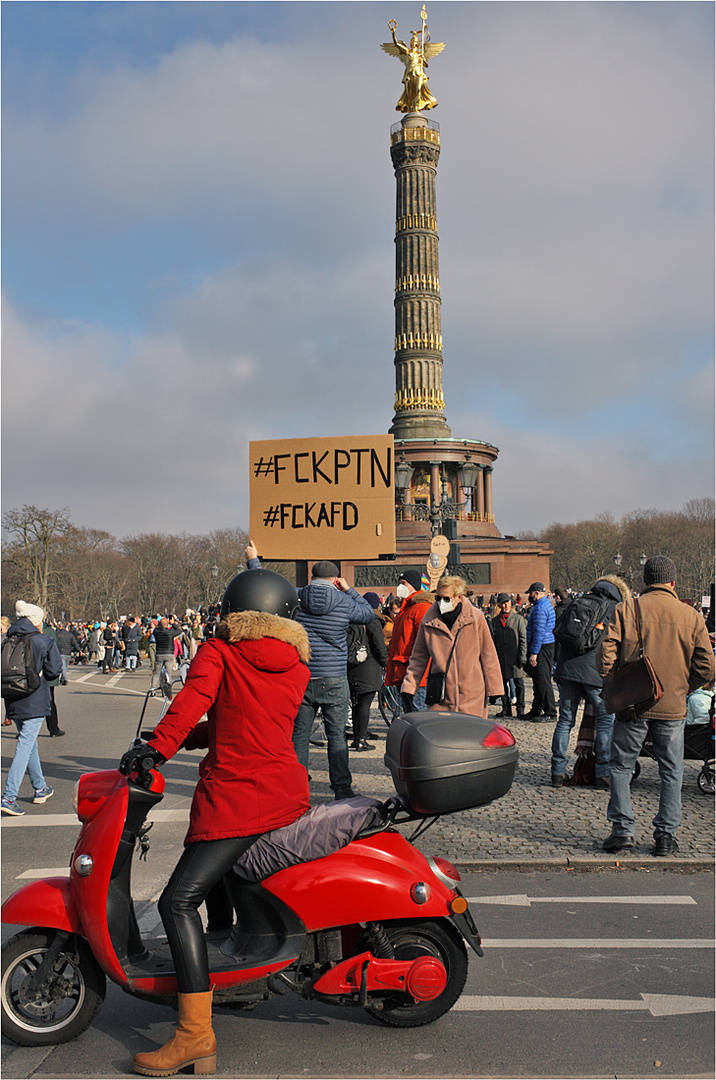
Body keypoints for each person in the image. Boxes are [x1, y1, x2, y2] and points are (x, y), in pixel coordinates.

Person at [120, 569, 311, 1077]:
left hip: (238, 796)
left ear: (235, 611)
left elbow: (192, 703)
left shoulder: (220, 651)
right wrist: (184, 738)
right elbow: (248, 716)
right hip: (284, 791)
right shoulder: (295, 663)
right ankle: (227, 962)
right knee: (228, 878)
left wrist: (156, 748)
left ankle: (194, 1036)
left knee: (176, 900)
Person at [597, 556, 715, 856]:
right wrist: (681, 688)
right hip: (673, 706)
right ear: (672, 582)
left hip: (633, 703)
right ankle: (665, 835)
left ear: (645, 581)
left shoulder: (627, 609)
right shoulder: (691, 616)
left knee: (621, 766)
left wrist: (616, 681)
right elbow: (706, 668)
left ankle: (622, 830)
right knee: (672, 770)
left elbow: (603, 657)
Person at [292, 561, 374, 800]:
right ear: (335, 579)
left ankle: (297, 787)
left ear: (311, 576)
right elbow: (368, 614)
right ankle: (342, 789)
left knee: (299, 735)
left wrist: (254, 560)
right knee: (336, 735)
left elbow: (268, 592)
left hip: (304, 676)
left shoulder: (297, 597)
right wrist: (348, 589)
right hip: (334, 677)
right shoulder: (344, 601)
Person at [550, 575, 630, 789]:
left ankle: (557, 771)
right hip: (595, 672)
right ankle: (602, 772)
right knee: (605, 720)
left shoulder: (577, 602)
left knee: (565, 720)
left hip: (567, 670)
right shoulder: (614, 608)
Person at [402, 576, 504, 716]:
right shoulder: (429, 619)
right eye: (438, 598)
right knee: (443, 735)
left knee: (471, 736)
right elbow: (418, 657)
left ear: (459, 597)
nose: (441, 603)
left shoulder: (476, 618)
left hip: (472, 694)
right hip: (441, 695)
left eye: (446, 599)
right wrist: (409, 686)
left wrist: (495, 688)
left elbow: (488, 654)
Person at [1, 602, 61, 816]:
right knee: (25, 746)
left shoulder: (7, 639)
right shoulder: (43, 640)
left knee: (29, 743)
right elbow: (54, 672)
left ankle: (40, 787)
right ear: (37, 621)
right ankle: (8, 796)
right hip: (35, 698)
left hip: (12, 697)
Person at [385, 570, 434, 712]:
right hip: (404, 671)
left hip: (416, 674)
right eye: (399, 583)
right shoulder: (406, 609)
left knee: (418, 713)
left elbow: (426, 643)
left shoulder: (421, 608)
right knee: (410, 714)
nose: (400, 587)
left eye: (403, 583)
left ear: (413, 585)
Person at [347, 592, 387, 752]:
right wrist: (385, 663)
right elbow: (379, 646)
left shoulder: (352, 618)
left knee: (357, 703)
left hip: (353, 665)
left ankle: (360, 733)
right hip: (369, 667)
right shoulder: (373, 620)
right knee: (364, 704)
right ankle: (360, 739)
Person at [490, 593, 527, 718]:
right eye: (503, 603)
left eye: (508, 602)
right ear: (499, 605)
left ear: (511, 603)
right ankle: (506, 708)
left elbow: (523, 639)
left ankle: (520, 708)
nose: (506, 605)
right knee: (502, 683)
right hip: (501, 657)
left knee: (519, 683)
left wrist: (523, 656)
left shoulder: (519, 619)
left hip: (515, 657)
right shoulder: (495, 621)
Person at [524, 582, 557, 721]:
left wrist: (534, 652)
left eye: (530, 594)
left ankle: (550, 712)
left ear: (536, 593)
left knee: (543, 681)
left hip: (542, 647)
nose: (529, 596)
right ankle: (536, 709)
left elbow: (538, 633)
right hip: (547, 645)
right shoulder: (545, 605)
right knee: (539, 680)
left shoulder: (539, 609)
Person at [150, 617, 181, 689]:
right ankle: (167, 688)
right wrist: (173, 623)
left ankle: (153, 689)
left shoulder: (156, 632)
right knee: (168, 673)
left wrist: (159, 624)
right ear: (167, 625)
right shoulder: (170, 632)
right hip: (169, 653)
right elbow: (178, 631)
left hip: (159, 653)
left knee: (156, 673)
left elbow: (156, 629)